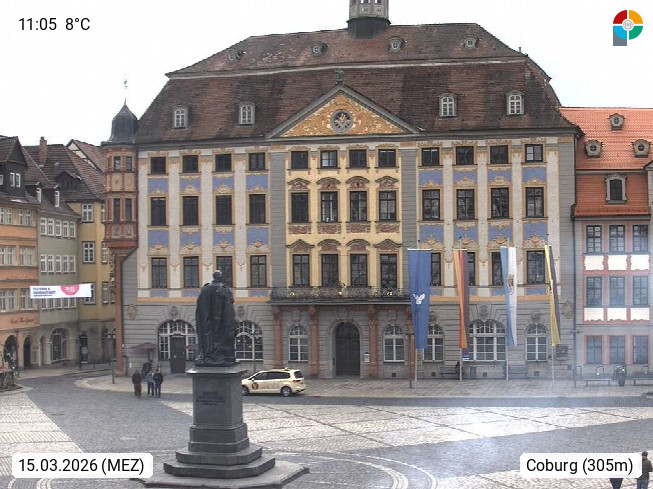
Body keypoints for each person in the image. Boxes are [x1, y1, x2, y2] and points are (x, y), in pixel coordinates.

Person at [195, 270, 236, 366]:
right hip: (222, 321)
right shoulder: (224, 289)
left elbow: (200, 307)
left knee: (208, 335)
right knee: (222, 335)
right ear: (220, 278)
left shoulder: (205, 289)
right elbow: (229, 308)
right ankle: (220, 355)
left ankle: (207, 355)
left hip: (207, 322)